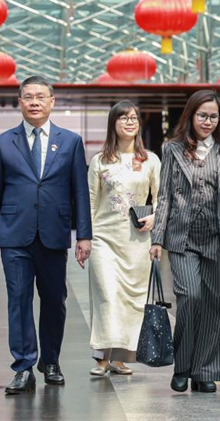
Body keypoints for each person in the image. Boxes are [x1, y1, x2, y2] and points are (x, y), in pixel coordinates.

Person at [0, 76, 92, 394]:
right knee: (19, 300)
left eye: (40, 96)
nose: (34, 102)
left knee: (55, 301)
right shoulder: (3, 143)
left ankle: (51, 361)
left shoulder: (70, 141)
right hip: (14, 235)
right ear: (19, 102)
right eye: (28, 96)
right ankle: (24, 366)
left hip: (54, 234)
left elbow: (80, 193)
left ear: (52, 101)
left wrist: (84, 235)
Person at [150, 89, 220, 394]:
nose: (208, 122)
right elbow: (165, 196)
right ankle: (182, 366)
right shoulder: (172, 149)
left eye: (213, 116)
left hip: (217, 237)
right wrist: (157, 238)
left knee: (214, 305)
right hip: (182, 238)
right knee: (191, 298)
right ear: (191, 116)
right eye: (202, 115)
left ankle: (205, 371)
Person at [87, 101, 160, 376]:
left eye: (134, 118)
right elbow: (91, 202)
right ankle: (102, 357)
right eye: (123, 118)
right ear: (113, 124)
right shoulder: (100, 161)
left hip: (137, 242)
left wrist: (155, 218)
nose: (129, 122)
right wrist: (86, 239)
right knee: (106, 294)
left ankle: (120, 356)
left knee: (132, 299)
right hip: (103, 239)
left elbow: (162, 197)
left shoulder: (150, 160)